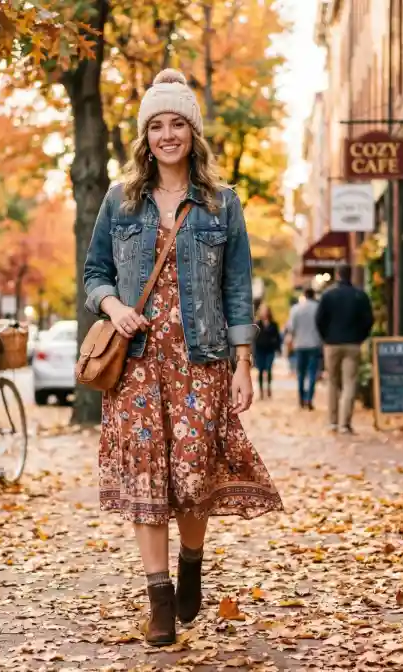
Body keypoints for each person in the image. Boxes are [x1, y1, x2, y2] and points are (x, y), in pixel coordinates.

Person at [83, 68, 283, 647]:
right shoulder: (120, 201)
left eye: (177, 124)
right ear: (144, 137)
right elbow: (95, 272)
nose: (167, 135)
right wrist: (115, 305)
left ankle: (191, 559)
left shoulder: (223, 205)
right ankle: (160, 603)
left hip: (202, 359)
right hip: (139, 362)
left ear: (193, 133)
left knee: (193, 480)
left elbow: (238, 287)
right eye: (156, 126)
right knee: (148, 483)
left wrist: (244, 362)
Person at [315, 265, 374, 434]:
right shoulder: (360, 296)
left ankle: (332, 421)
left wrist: (326, 338)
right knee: (350, 383)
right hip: (352, 344)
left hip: (332, 344)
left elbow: (319, 319)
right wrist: (360, 337)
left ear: (337, 275)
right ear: (351, 274)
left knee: (332, 382)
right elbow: (368, 320)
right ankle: (344, 424)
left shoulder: (328, 295)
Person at [284, 287, 323, 410]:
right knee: (312, 373)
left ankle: (301, 398)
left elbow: (291, 328)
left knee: (301, 373)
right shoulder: (318, 308)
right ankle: (309, 399)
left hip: (300, 344)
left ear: (304, 295)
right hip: (314, 344)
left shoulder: (296, 309)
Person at [253, 304, 281, 400]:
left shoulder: (274, 324)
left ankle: (268, 388)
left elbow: (277, 338)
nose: (264, 313)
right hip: (260, 350)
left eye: (266, 311)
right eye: (262, 311)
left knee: (269, 369)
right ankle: (261, 392)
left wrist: (278, 348)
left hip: (270, 350)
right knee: (260, 370)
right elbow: (253, 338)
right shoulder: (257, 324)